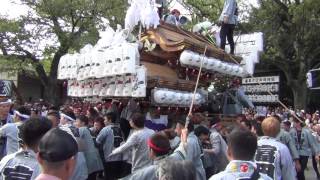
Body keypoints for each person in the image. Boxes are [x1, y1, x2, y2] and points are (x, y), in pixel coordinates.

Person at [75, 115, 103, 180]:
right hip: (95, 159)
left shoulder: (81, 129)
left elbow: (75, 140)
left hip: (88, 159)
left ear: (83, 123)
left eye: (77, 121)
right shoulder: (89, 130)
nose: (75, 123)